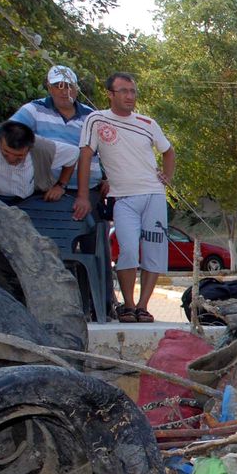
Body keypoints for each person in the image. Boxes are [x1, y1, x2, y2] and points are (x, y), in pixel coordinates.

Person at [73, 72, 175, 324]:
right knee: (128, 249)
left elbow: (168, 150)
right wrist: (83, 195)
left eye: (133, 91)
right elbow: (85, 156)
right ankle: (128, 304)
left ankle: (143, 306)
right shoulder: (96, 120)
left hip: (153, 193)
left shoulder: (147, 123)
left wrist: (167, 177)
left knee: (155, 251)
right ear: (110, 94)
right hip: (123, 197)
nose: (130, 96)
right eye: (124, 91)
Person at [10, 65, 105, 197]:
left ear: (76, 89)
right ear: (49, 88)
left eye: (69, 86)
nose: (64, 91)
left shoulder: (91, 115)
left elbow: (109, 150)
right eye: (58, 86)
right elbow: (9, 133)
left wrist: (109, 179)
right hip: (43, 191)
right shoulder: (34, 109)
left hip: (88, 191)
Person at [0, 121, 77, 202]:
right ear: (0, 141)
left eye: (19, 155)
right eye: (6, 152)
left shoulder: (43, 148)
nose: (11, 159)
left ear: (30, 147)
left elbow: (74, 153)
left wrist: (60, 186)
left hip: (32, 199)